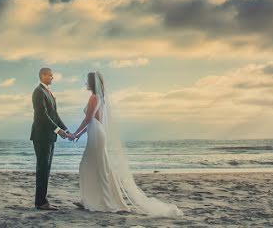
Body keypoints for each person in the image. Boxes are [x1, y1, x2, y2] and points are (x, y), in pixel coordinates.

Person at [71, 70, 182, 217]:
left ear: (92, 83)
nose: (85, 83)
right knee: (96, 167)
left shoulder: (93, 97)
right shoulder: (99, 98)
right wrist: (80, 134)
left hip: (96, 134)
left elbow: (88, 119)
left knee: (90, 166)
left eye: (87, 80)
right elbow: (94, 122)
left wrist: (75, 133)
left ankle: (97, 201)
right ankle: (89, 199)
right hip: (96, 132)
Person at [30, 67, 73, 211]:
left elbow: (54, 115)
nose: (52, 78)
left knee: (46, 169)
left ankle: (43, 201)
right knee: (42, 168)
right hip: (41, 136)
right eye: (50, 75)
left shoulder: (48, 92)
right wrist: (58, 130)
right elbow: (43, 115)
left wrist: (65, 129)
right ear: (42, 75)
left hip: (49, 137)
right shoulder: (38, 92)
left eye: (52, 76)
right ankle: (40, 202)